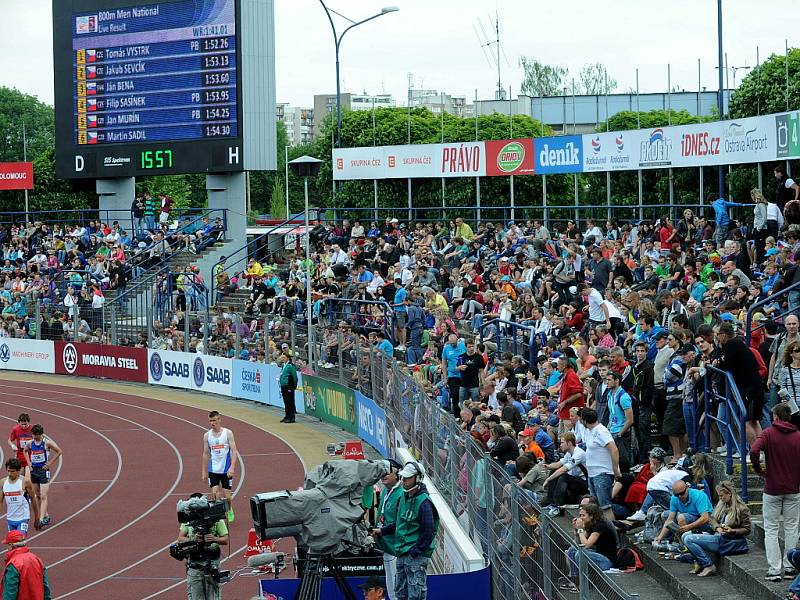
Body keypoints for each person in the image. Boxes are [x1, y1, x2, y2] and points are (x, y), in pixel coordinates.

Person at [749, 403, 800, 582]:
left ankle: (774, 569)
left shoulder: (769, 433)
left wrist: (759, 470)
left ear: (776, 417)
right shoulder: (798, 436)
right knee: (791, 528)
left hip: (772, 488)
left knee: (771, 529)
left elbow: (754, 450)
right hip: (793, 488)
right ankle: (790, 567)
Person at [374, 461, 439, 600]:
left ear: (418, 478)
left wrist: (415, 551)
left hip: (414, 556)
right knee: (400, 593)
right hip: (402, 553)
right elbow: (399, 522)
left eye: (408, 478)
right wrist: (382, 531)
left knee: (415, 595)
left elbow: (429, 532)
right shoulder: (404, 496)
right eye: (403, 477)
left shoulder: (424, 502)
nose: (404, 480)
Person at [682, 480, 751, 577]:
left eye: (722, 496)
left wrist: (732, 530)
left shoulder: (742, 509)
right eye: (719, 496)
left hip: (728, 540)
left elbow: (747, 529)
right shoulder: (722, 504)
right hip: (717, 535)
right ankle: (699, 562)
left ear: (729, 494)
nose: (720, 498)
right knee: (685, 535)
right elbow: (712, 519)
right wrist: (717, 527)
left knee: (689, 539)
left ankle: (708, 565)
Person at [177, 493, 229, 600]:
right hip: (194, 564)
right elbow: (180, 539)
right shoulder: (189, 519)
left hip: (212, 562)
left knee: (213, 597)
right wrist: (193, 539)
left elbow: (225, 539)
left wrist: (214, 539)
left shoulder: (216, 518)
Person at [560, 503, 619, 593]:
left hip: (607, 560)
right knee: (572, 550)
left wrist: (580, 530)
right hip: (597, 555)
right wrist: (576, 530)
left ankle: (584, 585)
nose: (581, 517)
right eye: (580, 515)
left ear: (591, 516)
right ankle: (575, 580)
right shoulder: (590, 524)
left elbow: (586, 545)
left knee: (580, 554)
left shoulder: (600, 525)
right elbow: (578, 544)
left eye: (583, 515)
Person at [581, 408, 621, 521]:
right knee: (596, 508)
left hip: (602, 474)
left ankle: (612, 533)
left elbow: (614, 449)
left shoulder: (601, 431)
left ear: (584, 421)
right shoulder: (590, 431)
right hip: (593, 474)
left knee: (605, 507)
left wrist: (615, 469)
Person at [651, 480, 713, 547]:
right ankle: (678, 542)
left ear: (687, 488)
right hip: (689, 518)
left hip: (707, 523)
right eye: (677, 495)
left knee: (681, 518)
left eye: (682, 493)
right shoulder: (674, 498)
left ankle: (685, 545)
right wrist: (660, 537)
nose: (680, 496)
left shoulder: (698, 496)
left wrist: (688, 527)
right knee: (665, 515)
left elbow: (705, 518)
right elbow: (669, 520)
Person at [374, 462, 403, 598]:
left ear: (397, 474)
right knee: (390, 583)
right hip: (385, 545)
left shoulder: (401, 493)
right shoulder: (385, 490)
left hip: (396, 547)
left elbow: (400, 523)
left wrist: (382, 531)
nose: (383, 475)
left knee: (397, 584)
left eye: (387, 472)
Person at [202, 411, 238, 522]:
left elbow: (234, 451)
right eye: (210, 421)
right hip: (213, 469)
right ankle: (219, 514)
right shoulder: (207, 436)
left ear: (219, 420)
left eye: (214, 420)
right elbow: (205, 453)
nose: (212, 423)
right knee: (215, 493)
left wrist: (232, 467)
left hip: (226, 469)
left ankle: (229, 509)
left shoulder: (228, 433)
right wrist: (204, 471)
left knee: (227, 496)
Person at [26, 425, 62, 528]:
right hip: (34, 471)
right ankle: (45, 515)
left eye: (36, 435)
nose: (34, 437)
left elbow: (59, 451)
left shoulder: (47, 443)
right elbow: (25, 451)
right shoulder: (30, 443)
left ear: (40, 434)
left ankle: (41, 519)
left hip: (43, 471)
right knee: (37, 495)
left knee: (43, 496)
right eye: (33, 435)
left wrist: (50, 463)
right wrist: (29, 463)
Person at [1, 530, 51, 600]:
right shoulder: (36, 559)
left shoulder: (13, 564)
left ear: (11, 545)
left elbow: (10, 592)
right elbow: (45, 586)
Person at [1, 458, 40, 535]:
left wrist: (37, 517)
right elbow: (0, 501)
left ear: (18, 471)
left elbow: (33, 499)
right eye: (8, 471)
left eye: (12, 471)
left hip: (23, 517)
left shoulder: (25, 482)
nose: (9, 473)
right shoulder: (2, 482)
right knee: (13, 543)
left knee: (19, 539)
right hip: (10, 518)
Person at [7, 414, 33, 479]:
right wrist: (12, 445)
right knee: (19, 476)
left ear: (28, 422)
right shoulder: (15, 429)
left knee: (27, 476)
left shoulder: (32, 429)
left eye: (25, 424)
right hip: (20, 455)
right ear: (19, 422)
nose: (24, 426)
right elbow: (9, 440)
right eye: (22, 424)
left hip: (29, 455)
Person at [278, 351, 299, 424]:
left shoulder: (290, 366)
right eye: (282, 357)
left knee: (290, 401)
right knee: (286, 402)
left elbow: (295, 376)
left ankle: (291, 417)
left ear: (287, 358)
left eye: (284, 357)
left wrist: (294, 385)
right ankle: (287, 416)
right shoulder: (284, 365)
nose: (282, 359)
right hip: (284, 386)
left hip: (289, 386)